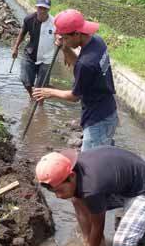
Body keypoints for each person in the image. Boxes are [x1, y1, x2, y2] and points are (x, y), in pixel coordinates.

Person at [32, 9, 118, 151]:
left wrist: (50, 92)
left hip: (98, 119)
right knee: (103, 154)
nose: (63, 40)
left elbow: (74, 96)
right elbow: (79, 64)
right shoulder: (97, 42)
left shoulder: (86, 63)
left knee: (91, 162)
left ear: (77, 34)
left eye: (66, 38)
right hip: (108, 110)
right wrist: (64, 48)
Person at [11, 0, 56, 106]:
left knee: (41, 89)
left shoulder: (55, 23)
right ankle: (31, 95)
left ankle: (39, 106)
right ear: (36, 7)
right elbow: (22, 33)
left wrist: (67, 54)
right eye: (40, 8)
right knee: (25, 80)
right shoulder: (29, 19)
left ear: (48, 9)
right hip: (30, 54)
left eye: (44, 8)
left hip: (47, 59)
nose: (42, 11)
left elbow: (61, 39)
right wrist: (15, 48)